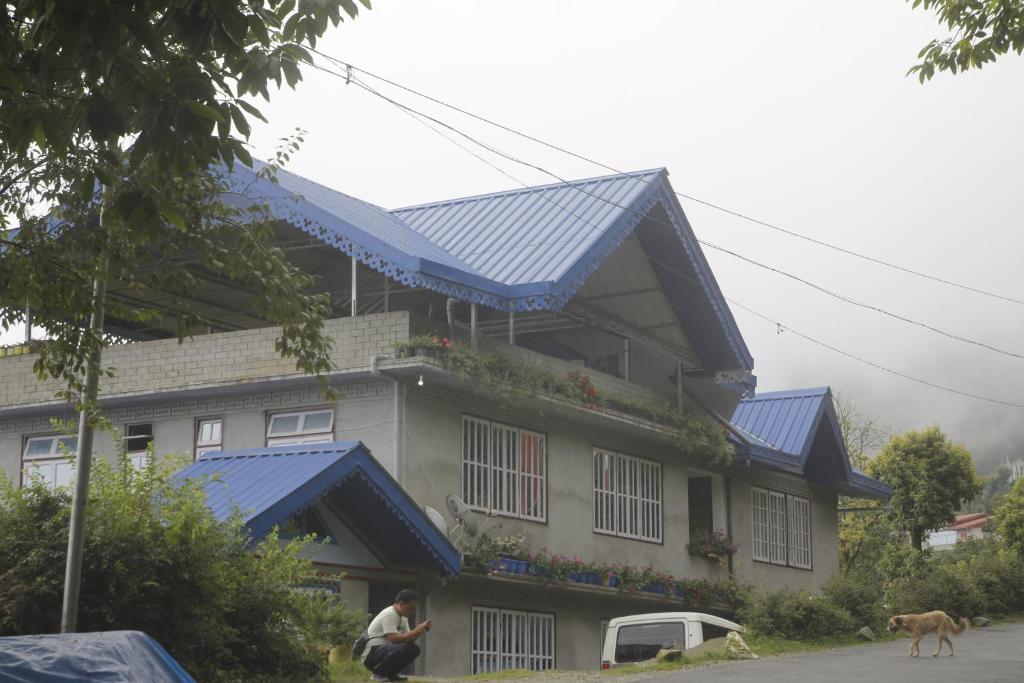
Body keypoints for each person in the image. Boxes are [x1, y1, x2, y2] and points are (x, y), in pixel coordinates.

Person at [361, 589, 431, 682]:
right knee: (398, 649)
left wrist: (420, 631)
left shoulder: (403, 618)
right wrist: (415, 631)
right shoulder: (389, 614)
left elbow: (409, 641)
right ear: (401, 604)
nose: (412, 611)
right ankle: (378, 674)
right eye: (410, 607)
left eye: (414, 608)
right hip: (371, 654)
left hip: (385, 650)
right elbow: (393, 639)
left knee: (414, 649)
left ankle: (391, 674)